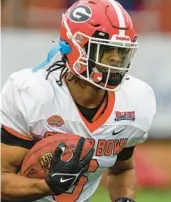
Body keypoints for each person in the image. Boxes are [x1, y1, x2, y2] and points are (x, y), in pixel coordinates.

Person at [1, 0, 156, 201]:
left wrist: (124, 198)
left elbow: (122, 169)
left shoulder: (134, 100)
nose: (117, 60)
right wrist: (47, 185)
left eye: (122, 51)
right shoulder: (31, 93)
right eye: (106, 50)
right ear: (76, 46)